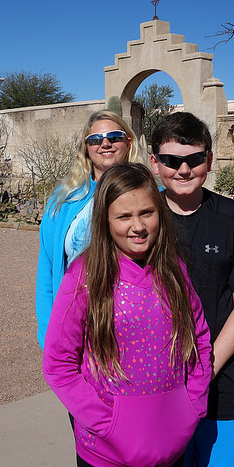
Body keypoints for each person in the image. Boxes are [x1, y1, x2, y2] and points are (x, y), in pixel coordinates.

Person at [43, 163, 213, 467]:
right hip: (106, 458)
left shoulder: (174, 270)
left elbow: (200, 340)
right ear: (105, 221)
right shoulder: (84, 277)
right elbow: (58, 365)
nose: (137, 226)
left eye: (147, 212)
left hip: (172, 451)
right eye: (123, 216)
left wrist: (193, 405)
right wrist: (107, 423)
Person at [149, 112, 234, 467]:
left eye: (194, 159)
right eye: (171, 160)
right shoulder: (142, 220)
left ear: (209, 161)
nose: (183, 169)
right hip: (157, 386)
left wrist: (204, 369)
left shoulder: (233, 217)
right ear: (155, 163)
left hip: (221, 381)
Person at [35, 110, 143, 349]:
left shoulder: (150, 194)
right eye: (95, 139)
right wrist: (49, 334)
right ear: (86, 147)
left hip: (136, 322)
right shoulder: (65, 199)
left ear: (128, 142)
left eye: (114, 136)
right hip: (78, 321)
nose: (105, 143)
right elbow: (48, 268)